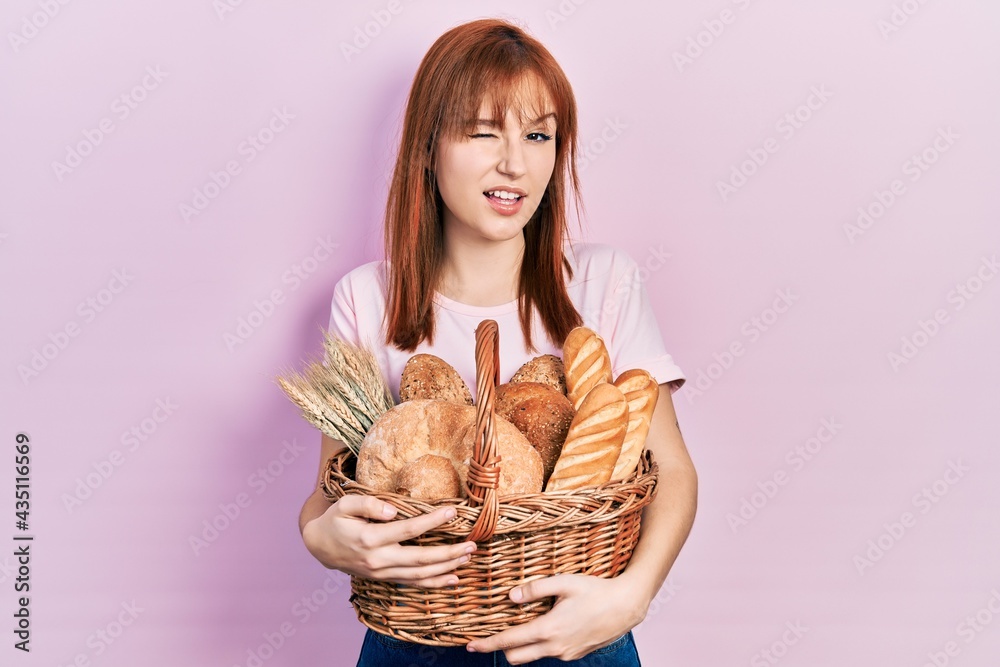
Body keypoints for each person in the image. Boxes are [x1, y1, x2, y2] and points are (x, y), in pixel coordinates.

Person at [298, 17, 697, 667]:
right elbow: (328, 492)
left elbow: (673, 469)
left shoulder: (601, 282)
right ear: (428, 147)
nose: (515, 162)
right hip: (414, 635)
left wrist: (629, 598)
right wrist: (324, 538)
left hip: (576, 631)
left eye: (538, 135)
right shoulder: (369, 297)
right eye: (484, 132)